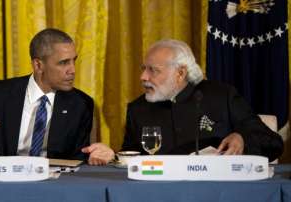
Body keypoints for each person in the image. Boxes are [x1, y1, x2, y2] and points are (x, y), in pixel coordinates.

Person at [82, 39, 284, 165]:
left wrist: (242, 138)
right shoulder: (138, 109)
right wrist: (114, 156)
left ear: (180, 73)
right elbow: (134, 160)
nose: (143, 76)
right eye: (143, 68)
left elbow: (273, 143)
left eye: (153, 70)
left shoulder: (222, 96)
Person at [0, 28, 94, 160]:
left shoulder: (80, 104)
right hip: (1, 183)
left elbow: (78, 160)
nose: (72, 70)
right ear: (38, 65)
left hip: (53, 184)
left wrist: (96, 155)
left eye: (73, 61)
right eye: (63, 63)